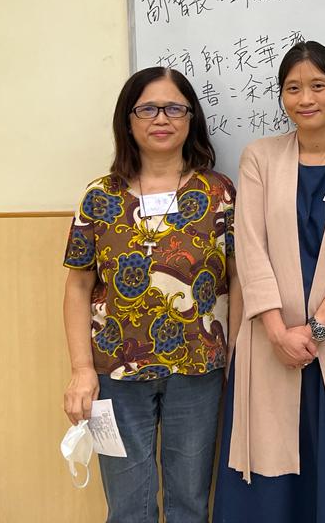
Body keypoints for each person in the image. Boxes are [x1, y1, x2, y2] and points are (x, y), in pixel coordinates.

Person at [214, 41, 325, 522]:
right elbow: (250, 250)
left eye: (318, 85)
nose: (306, 98)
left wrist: (313, 331)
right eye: (293, 88)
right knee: (271, 474)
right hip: (269, 340)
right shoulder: (259, 157)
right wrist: (278, 333)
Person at [62, 66, 236, 523]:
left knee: (190, 504)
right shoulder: (99, 196)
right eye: (148, 109)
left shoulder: (218, 193)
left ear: (191, 118)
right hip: (114, 375)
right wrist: (82, 371)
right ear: (128, 119)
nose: (162, 118)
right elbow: (78, 286)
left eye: (175, 108)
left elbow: (238, 281)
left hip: (198, 371)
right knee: (126, 508)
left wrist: (236, 359)